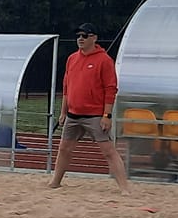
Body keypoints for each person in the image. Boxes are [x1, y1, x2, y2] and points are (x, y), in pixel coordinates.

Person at [47, 23, 131, 194]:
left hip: (94, 115)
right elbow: (66, 88)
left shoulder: (104, 60)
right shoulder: (72, 59)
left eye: (84, 36)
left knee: (108, 151)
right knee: (64, 149)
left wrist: (107, 115)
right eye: (78, 35)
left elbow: (111, 89)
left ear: (94, 38)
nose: (80, 39)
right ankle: (55, 182)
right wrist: (63, 112)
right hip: (73, 114)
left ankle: (124, 188)